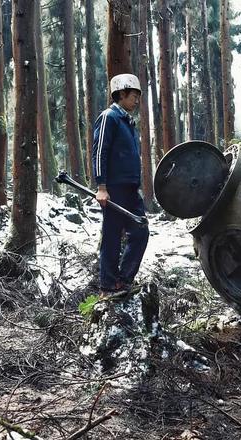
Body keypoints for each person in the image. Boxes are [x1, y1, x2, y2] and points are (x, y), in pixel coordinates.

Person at [92, 73, 149, 296]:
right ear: (121, 94)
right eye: (134, 96)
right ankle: (108, 285)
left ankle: (124, 280)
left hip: (130, 188)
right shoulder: (109, 117)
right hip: (113, 188)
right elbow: (99, 152)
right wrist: (102, 187)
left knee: (141, 231)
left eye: (138, 97)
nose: (136, 101)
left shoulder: (128, 122)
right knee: (112, 235)